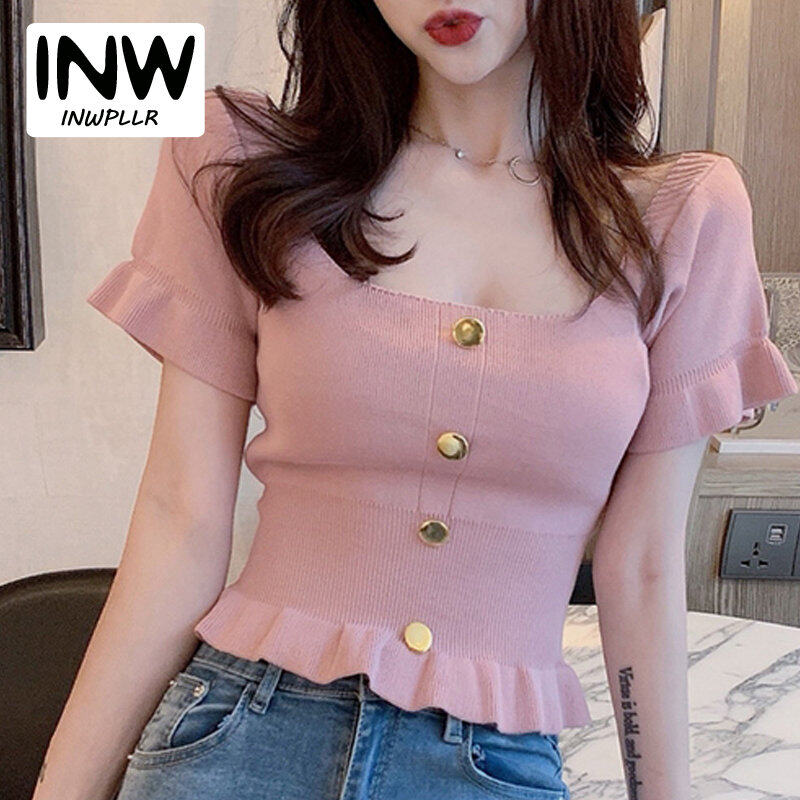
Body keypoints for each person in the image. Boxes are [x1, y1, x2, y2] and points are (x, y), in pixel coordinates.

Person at [34, 1, 798, 799]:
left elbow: (641, 565)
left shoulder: (680, 216)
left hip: (492, 764)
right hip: (238, 737)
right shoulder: (242, 164)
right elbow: (179, 517)